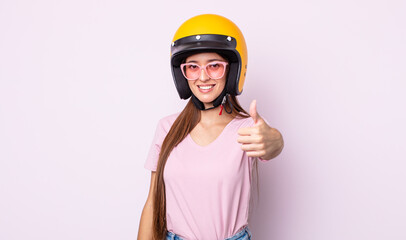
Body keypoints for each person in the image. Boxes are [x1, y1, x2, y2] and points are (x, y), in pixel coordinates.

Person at [137, 14, 284, 240]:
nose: (203, 77)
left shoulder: (247, 129)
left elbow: (273, 144)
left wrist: (274, 140)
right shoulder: (167, 127)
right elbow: (152, 203)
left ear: (233, 70)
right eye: (193, 67)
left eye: (214, 66)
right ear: (182, 73)